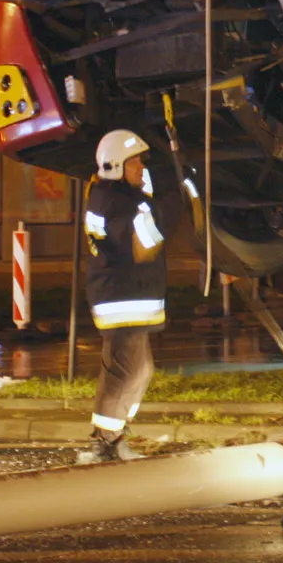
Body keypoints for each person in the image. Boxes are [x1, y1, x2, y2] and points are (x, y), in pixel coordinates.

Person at [77, 129, 167, 464]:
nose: (142, 167)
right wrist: (158, 204)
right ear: (115, 165)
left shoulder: (110, 196)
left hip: (124, 295)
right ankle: (105, 443)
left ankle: (112, 437)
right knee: (125, 371)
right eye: (136, 161)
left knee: (139, 370)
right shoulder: (119, 203)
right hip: (121, 298)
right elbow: (145, 246)